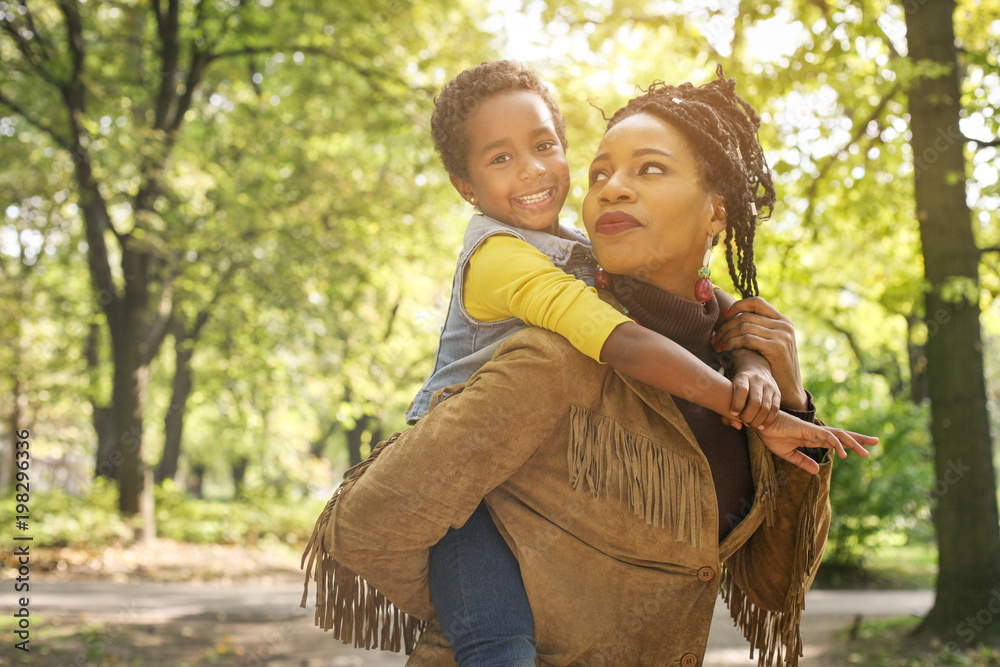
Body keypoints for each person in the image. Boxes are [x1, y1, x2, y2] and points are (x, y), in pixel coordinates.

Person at [301, 68, 877, 666]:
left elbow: (774, 590)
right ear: (465, 185)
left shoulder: (721, 354)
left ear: (718, 212)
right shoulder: (555, 352)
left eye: (648, 168)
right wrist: (489, 624)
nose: (612, 189)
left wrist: (777, 388)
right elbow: (371, 523)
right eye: (601, 173)